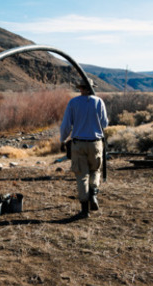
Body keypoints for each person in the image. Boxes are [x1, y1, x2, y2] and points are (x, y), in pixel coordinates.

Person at [60, 78, 109, 218]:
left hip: (78, 144)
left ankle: (84, 210)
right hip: (95, 143)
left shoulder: (73, 103)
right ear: (91, 88)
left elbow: (66, 126)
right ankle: (93, 193)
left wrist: (62, 140)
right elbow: (104, 124)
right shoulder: (99, 101)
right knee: (95, 170)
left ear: (80, 88)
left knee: (81, 175)